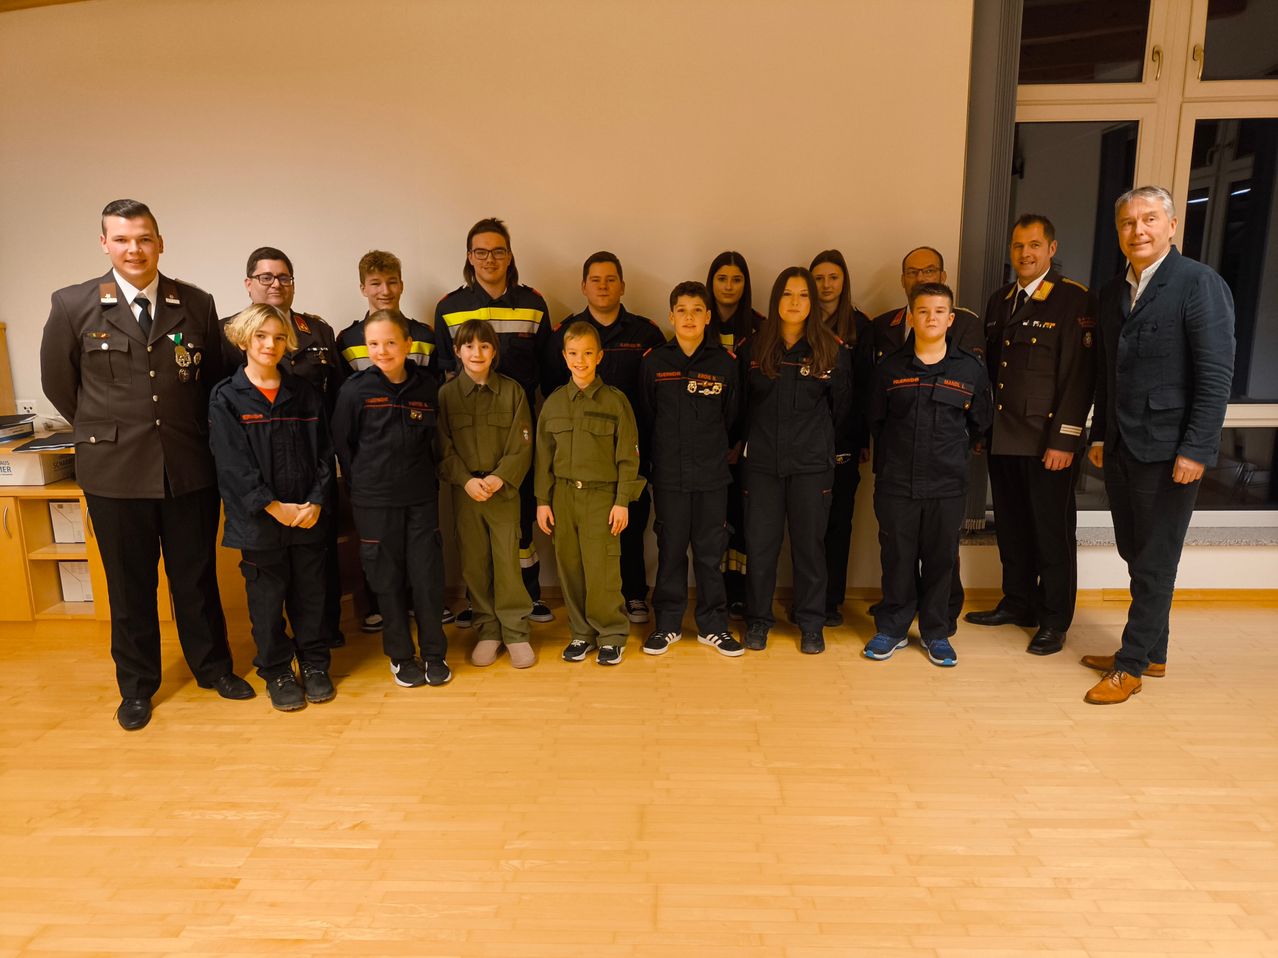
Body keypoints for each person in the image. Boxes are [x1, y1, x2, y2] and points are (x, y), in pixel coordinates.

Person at [39, 199, 253, 731]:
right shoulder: (73, 305)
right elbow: (60, 384)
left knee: (195, 578)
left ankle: (213, 668)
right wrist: (107, 429)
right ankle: (137, 687)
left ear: (160, 242)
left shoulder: (195, 303)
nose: (134, 249)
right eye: (122, 239)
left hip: (187, 466)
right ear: (104, 244)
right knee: (129, 585)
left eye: (144, 238)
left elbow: (211, 381)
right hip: (114, 472)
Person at [1081, 186, 1235, 705]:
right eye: (1128, 223)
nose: (1138, 230)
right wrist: (1100, 434)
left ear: (1172, 226)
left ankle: (1129, 666)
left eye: (1149, 219)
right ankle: (1154, 651)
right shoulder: (1112, 292)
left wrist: (1197, 449)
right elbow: (1108, 370)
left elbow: (1215, 377)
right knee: (1134, 551)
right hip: (1122, 445)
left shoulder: (1199, 283)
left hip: (1171, 451)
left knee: (1155, 559)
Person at [965, 215, 1096, 655]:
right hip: (1005, 438)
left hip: (1047, 443)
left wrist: (1065, 439)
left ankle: (1054, 619)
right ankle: (1018, 602)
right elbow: (990, 373)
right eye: (1019, 245)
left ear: (1052, 249)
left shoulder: (1073, 299)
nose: (1026, 253)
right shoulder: (1000, 300)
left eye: (1035, 245)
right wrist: (983, 429)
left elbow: (1080, 377)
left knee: (1052, 533)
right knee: (1013, 527)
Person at [208, 304, 335, 711]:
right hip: (260, 523)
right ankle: (277, 670)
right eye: (261, 336)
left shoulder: (305, 393)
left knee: (311, 595)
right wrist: (271, 505)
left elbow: (324, 453)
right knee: (266, 600)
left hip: (307, 516)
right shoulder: (227, 397)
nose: (270, 344)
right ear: (244, 339)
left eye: (279, 338)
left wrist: (316, 500)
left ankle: (314, 664)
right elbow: (232, 465)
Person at [221, 246, 345, 650]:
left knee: (316, 575)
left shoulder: (318, 331)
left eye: (284, 277)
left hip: (309, 472)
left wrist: (319, 491)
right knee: (267, 590)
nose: (276, 284)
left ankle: (319, 646)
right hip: (260, 484)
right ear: (249, 284)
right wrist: (267, 502)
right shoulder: (227, 334)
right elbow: (227, 427)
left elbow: (333, 404)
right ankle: (276, 661)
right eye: (266, 277)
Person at [864, 283, 991, 668]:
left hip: (947, 485)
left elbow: (980, 423)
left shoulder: (970, 369)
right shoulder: (889, 368)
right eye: (923, 311)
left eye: (939, 312)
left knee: (941, 560)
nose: (931, 318)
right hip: (896, 483)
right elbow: (876, 421)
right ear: (912, 316)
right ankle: (893, 628)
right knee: (897, 557)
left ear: (950, 319)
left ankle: (937, 632)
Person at [436, 218, 553, 623]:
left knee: (519, 520)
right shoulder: (449, 307)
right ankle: (478, 602)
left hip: (518, 427)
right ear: (470, 257)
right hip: (469, 430)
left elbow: (548, 369)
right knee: (473, 528)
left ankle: (528, 595)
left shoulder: (534, 303)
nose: (490, 259)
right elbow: (444, 371)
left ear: (509, 255)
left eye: (498, 251)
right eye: (481, 251)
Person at [331, 310, 451, 688]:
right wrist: (363, 485)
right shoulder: (354, 391)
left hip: (419, 498)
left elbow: (435, 442)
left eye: (390, 342)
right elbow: (342, 444)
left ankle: (434, 654)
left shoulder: (427, 388)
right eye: (373, 344)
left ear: (408, 344)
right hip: (374, 501)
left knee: (426, 577)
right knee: (387, 579)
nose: (382, 351)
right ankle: (401, 656)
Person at [544, 252, 666, 625]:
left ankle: (634, 593)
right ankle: (589, 610)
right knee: (587, 539)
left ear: (622, 286)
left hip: (633, 448)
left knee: (629, 521)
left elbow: (658, 393)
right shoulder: (564, 333)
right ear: (583, 286)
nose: (603, 286)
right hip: (582, 451)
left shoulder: (646, 333)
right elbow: (553, 393)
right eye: (595, 279)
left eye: (611, 279)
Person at [737, 267, 851, 655]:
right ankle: (758, 621)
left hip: (811, 467)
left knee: (810, 549)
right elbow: (740, 407)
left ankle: (811, 624)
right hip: (762, 466)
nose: (795, 302)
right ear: (775, 300)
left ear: (812, 302)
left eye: (803, 295)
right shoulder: (754, 348)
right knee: (760, 548)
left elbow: (842, 410)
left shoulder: (831, 350)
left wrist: (818, 446)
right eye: (787, 294)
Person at [335, 250, 446, 631]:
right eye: (376, 283)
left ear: (402, 284)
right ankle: (380, 609)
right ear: (363, 288)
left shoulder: (425, 336)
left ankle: (422, 607)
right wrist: (357, 477)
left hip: (416, 470)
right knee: (379, 550)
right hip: (374, 475)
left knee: (421, 550)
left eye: (392, 282)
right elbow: (345, 420)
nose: (384, 290)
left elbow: (434, 399)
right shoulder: (347, 339)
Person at [638, 281, 742, 657]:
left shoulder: (725, 363)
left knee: (711, 553)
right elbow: (646, 418)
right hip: (669, 476)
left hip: (712, 476)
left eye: (697, 310)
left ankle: (712, 626)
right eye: (681, 310)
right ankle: (667, 624)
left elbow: (733, 418)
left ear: (708, 317)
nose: (689, 317)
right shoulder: (654, 362)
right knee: (670, 551)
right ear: (671, 316)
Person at [534, 321, 644, 666]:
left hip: (601, 498)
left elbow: (628, 457)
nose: (579, 360)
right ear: (564, 356)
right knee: (570, 568)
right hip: (563, 498)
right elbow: (542, 458)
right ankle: (581, 632)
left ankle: (611, 634)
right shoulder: (553, 404)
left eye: (587, 353)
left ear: (599, 356)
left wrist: (622, 501)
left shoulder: (615, 402)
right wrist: (542, 501)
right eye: (573, 353)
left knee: (602, 570)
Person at [437, 320, 536, 669]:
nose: (476, 353)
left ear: (494, 351)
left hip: (503, 492)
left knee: (508, 561)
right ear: (457, 351)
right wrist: (465, 481)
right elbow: (442, 446)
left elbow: (522, 445)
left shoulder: (512, 391)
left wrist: (498, 478)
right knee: (474, 563)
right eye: (469, 346)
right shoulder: (446, 395)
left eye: (484, 346)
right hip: (466, 494)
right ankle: (488, 630)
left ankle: (515, 631)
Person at [809, 249, 873, 627]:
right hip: (805, 441)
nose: (826, 285)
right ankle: (807, 598)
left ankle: (831, 601)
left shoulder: (860, 326)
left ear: (844, 281)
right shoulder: (799, 321)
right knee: (807, 527)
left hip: (845, 441)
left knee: (838, 523)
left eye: (833, 277)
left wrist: (861, 438)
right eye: (818, 278)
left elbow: (865, 388)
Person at [705, 251, 765, 619]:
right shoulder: (698, 321)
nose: (729, 286)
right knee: (712, 524)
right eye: (722, 278)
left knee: (745, 521)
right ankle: (714, 595)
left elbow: (762, 393)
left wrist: (742, 440)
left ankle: (740, 594)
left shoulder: (761, 329)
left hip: (749, 445)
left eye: (737, 279)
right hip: (707, 445)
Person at [869, 247, 985, 363]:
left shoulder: (967, 324)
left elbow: (971, 371)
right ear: (903, 280)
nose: (920, 278)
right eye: (912, 272)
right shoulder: (881, 324)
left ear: (943, 277)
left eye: (929, 271)